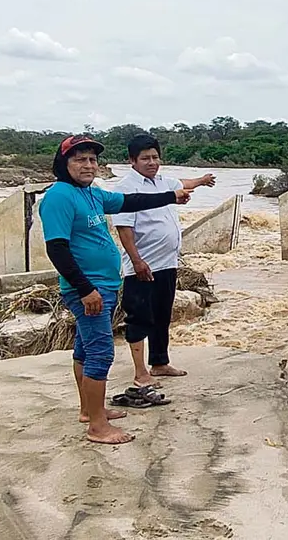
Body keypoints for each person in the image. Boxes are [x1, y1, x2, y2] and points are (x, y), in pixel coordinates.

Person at [39, 134, 193, 445]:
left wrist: (171, 196)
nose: (88, 165)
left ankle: (89, 410)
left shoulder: (92, 194)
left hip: (104, 285)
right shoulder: (59, 196)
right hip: (89, 289)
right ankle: (98, 427)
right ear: (63, 164)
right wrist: (85, 289)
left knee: (84, 349)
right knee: (101, 353)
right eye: (80, 160)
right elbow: (56, 249)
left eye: (92, 160)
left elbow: (132, 201)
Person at [112, 134, 216, 388]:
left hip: (167, 264)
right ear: (132, 161)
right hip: (142, 266)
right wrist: (137, 261)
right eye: (145, 158)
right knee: (139, 317)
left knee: (161, 315)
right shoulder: (125, 189)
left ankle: (159, 363)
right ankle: (140, 372)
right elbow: (124, 229)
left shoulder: (163, 181)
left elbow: (183, 182)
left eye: (155, 157)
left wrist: (201, 181)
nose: (151, 162)